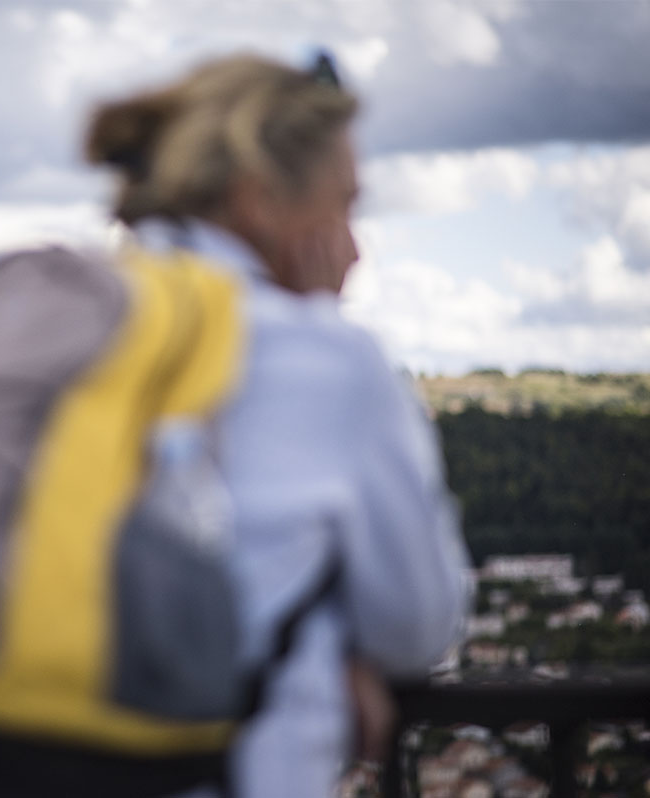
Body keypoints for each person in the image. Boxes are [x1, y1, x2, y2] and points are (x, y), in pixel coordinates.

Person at [83, 51, 471, 796]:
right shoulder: (322, 355)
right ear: (259, 200)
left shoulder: (50, 321)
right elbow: (417, 627)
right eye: (344, 205)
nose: (354, 247)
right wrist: (334, 654)